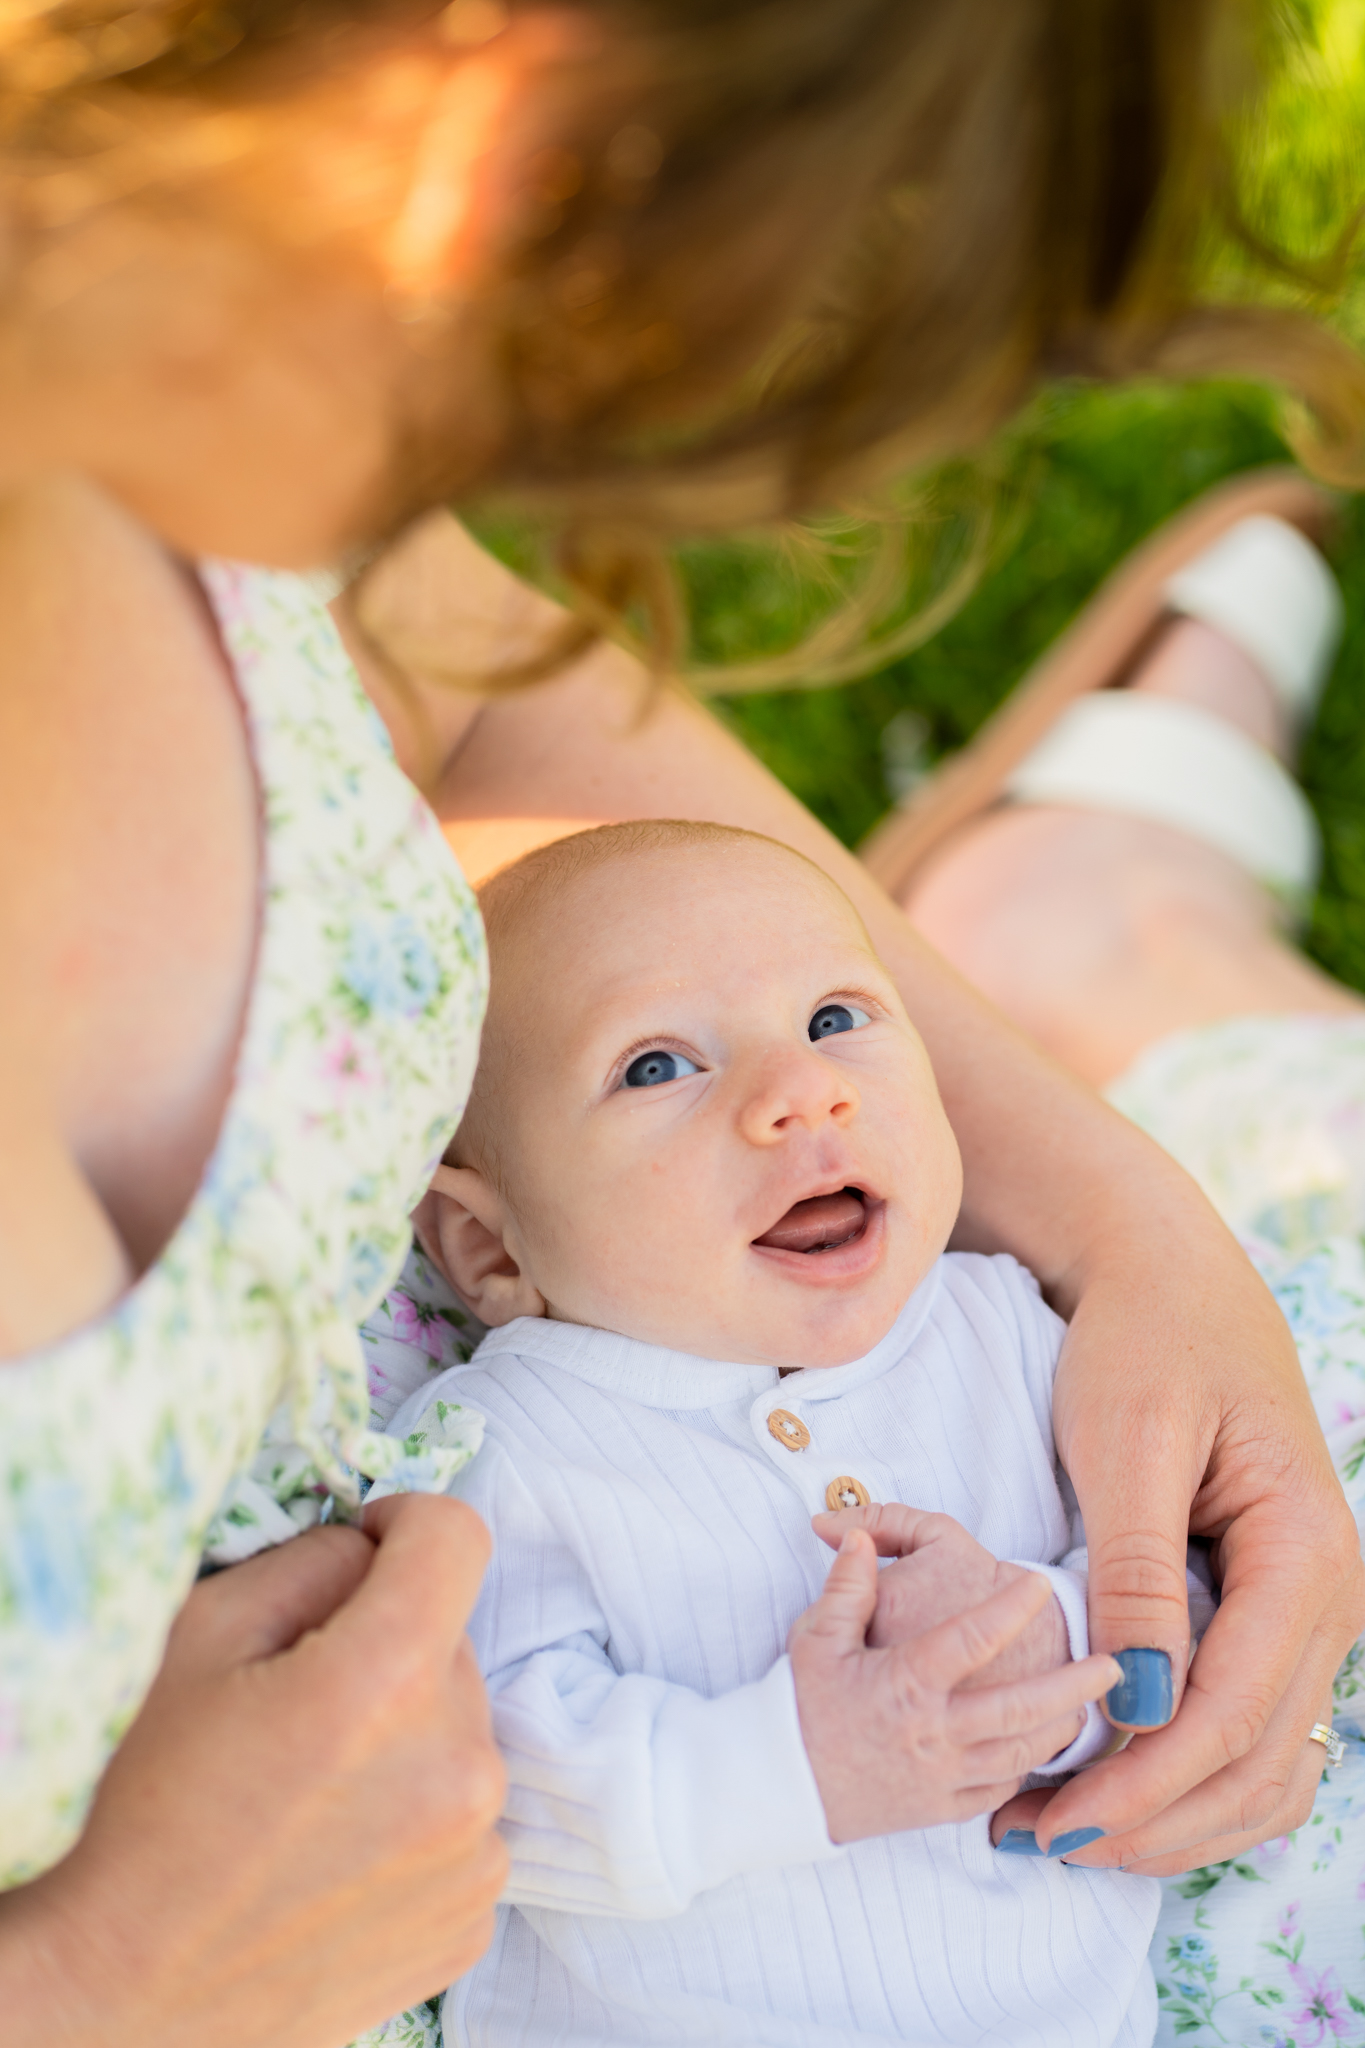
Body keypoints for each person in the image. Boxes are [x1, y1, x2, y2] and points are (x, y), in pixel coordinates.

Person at [0, 4, 1360, 2043]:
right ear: (512, 136)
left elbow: (439, 665)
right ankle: (1126, 927)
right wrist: (90, 1985)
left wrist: (1114, 1211)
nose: (423, 497)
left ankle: (1102, 934)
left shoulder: (181, 393)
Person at [392, 815, 1170, 2046]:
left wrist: (1049, 1644)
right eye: (657, 1065)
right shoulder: (511, 1443)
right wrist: (793, 1763)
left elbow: (1184, 1591)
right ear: (490, 1246)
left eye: (835, 1017)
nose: (804, 1087)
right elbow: (470, 1789)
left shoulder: (1006, 1330)